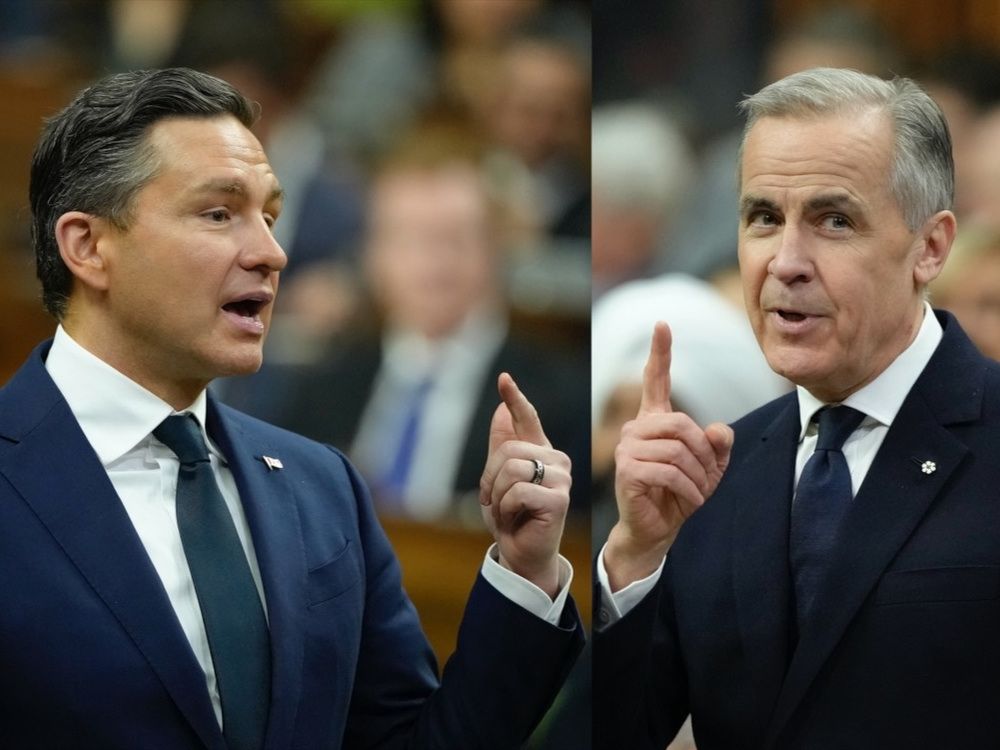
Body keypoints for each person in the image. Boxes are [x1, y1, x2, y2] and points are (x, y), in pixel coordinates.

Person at [0, 67, 583, 749]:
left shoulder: (321, 486)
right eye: (219, 213)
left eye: (269, 216)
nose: (271, 252)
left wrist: (523, 573)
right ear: (88, 246)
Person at [594, 67, 1000, 748]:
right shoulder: (711, 471)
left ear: (930, 247)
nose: (786, 262)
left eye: (833, 220)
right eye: (763, 218)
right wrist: (636, 558)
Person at [266, 123, 589, 523]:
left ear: (497, 245)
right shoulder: (320, 388)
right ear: (373, 255)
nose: (433, 262)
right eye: (410, 239)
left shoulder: (563, 401)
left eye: (454, 237)